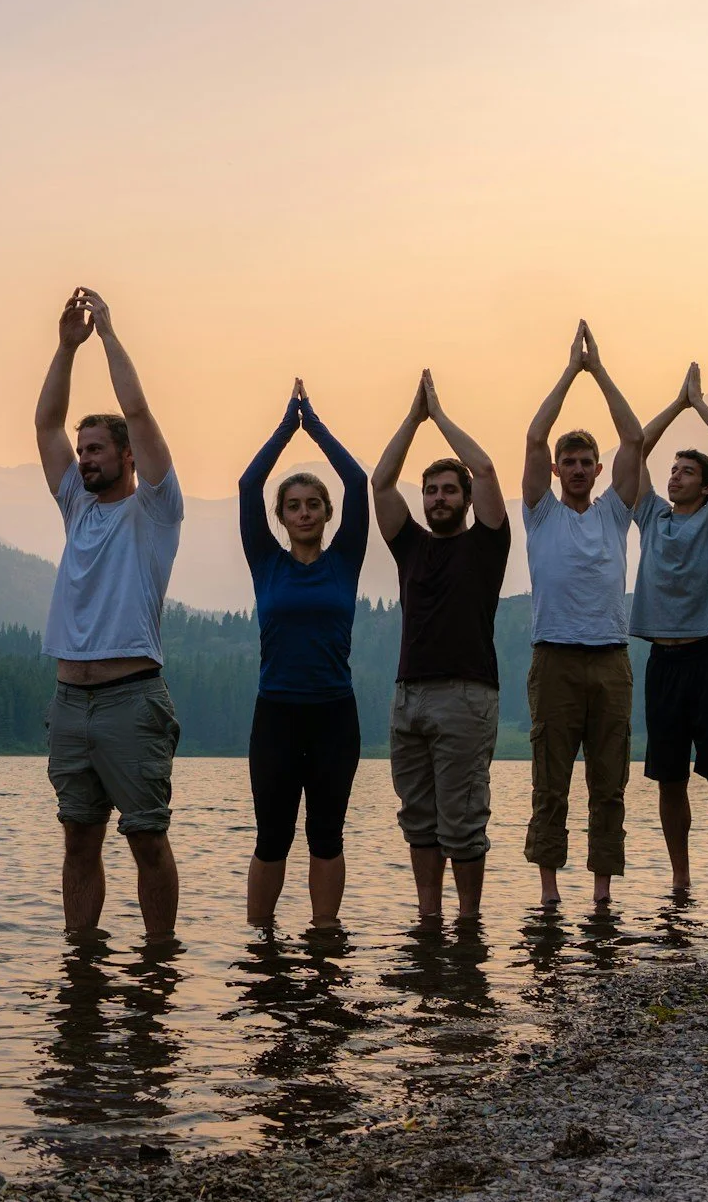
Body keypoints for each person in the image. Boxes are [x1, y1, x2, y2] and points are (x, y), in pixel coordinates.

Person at [32, 287, 185, 940]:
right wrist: (65, 348)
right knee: (77, 840)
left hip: (131, 699)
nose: (84, 456)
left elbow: (139, 408)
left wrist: (110, 335)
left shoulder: (154, 509)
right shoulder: (77, 506)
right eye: (82, 448)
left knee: (146, 839)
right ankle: (81, 963)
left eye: (96, 448)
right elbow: (44, 424)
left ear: (128, 457)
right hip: (71, 700)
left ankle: (157, 961)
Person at [369, 370, 511, 922]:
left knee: (463, 817)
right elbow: (380, 484)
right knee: (419, 816)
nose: (439, 497)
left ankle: (469, 919)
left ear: (467, 497)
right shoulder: (409, 545)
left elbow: (487, 469)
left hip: (466, 695)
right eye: (431, 490)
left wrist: (441, 417)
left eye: (450, 489)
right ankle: (429, 917)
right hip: (409, 696)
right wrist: (412, 419)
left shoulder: (487, 543)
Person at [518, 320, 646, 910]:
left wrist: (599, 370)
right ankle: (548, 891)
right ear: (556, 470)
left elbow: (636, 438)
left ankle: (600, 893)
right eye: (567, 460)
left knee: (609, 782)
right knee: (551, 782)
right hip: (555, 660)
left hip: (611, 660)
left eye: (584, 460)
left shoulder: (615, 514)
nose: (574, 466)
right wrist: (570, 370)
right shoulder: (541, 513)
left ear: (598, 470)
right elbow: (534, 436)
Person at [237, 377, 370, 930]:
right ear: (281, 516)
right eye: (294, 506)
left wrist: (314, 427)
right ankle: (259, 940)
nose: (305, 513)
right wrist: (284, 429)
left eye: (314, 504)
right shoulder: (267, 562)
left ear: (328, 513)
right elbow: (248, 486)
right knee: (272, 835)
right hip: (277, 714)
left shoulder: (345, 560)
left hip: (334, 714)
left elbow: (358, 481)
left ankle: (323, 936)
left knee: (326, 833)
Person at [631, 361, 708, 898]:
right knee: (669, 777)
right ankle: (680, 875)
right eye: (672, 469)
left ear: (705, 488)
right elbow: (633, 452)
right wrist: (674, 405)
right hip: (664, 661)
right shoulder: (652, 515)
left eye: (685, 471)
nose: (674, 475)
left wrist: (699, 404)